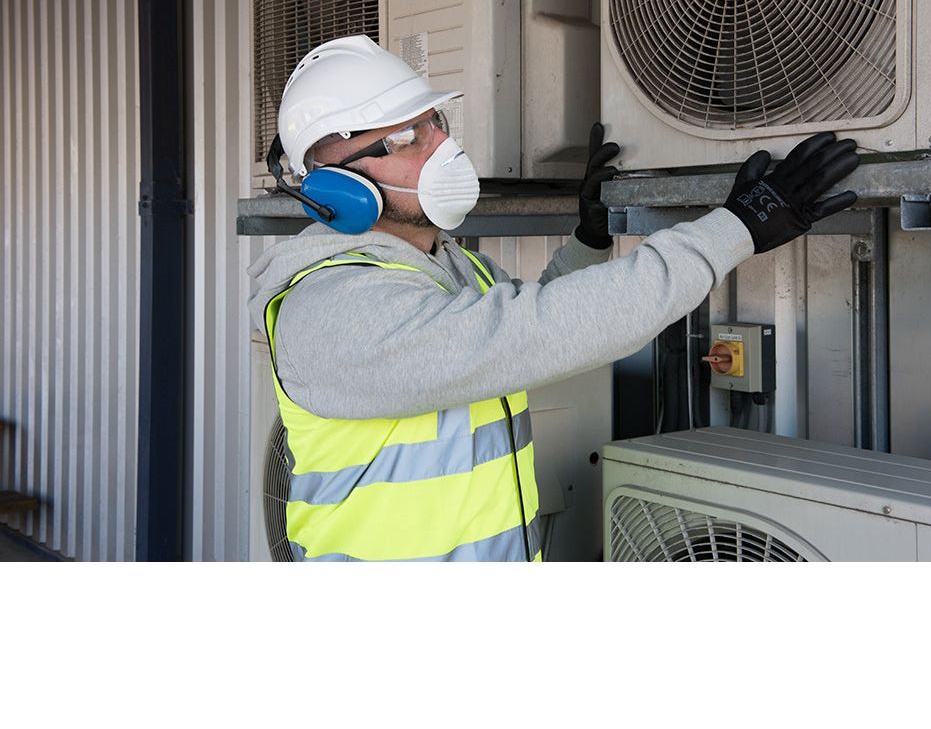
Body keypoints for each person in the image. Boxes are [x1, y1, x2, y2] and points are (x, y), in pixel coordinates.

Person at [247, 34, 860, 562]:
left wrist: (589, 238)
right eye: (407, 137)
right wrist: (738, 228)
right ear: (335, 185)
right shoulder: (329, 308)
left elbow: (534, 316)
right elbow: (534, 334)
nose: (442, 148)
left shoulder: (450, 268)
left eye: (436, 123)